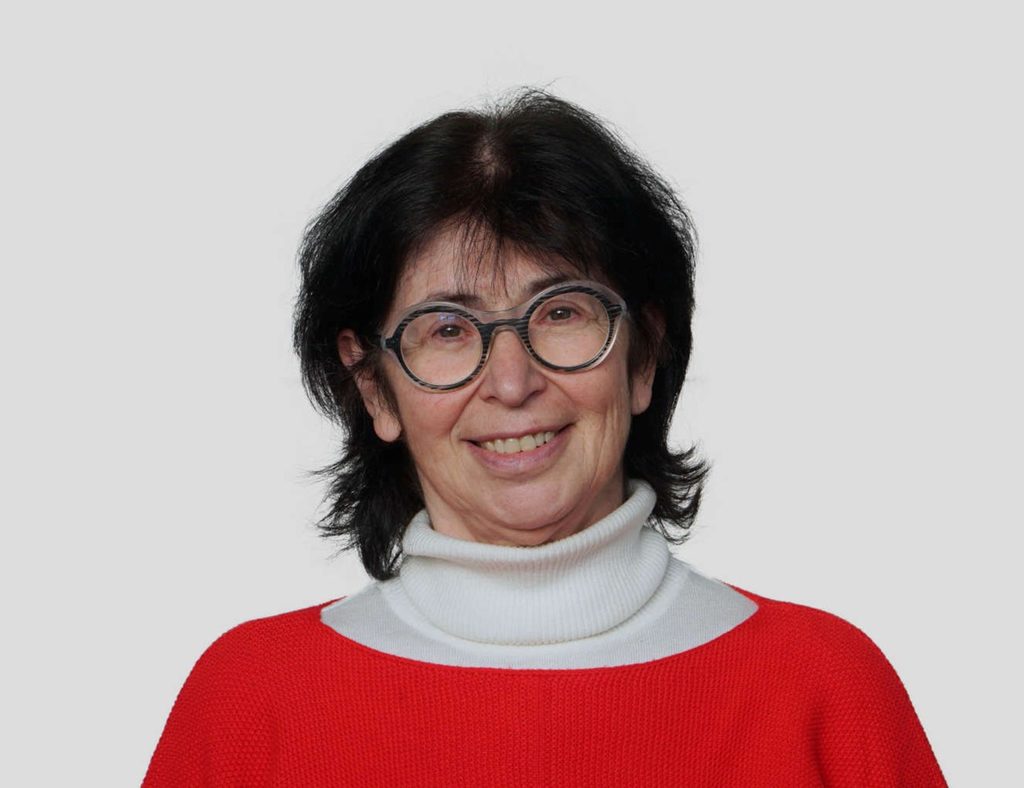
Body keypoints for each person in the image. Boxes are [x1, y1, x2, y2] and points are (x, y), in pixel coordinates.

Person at [143, 90, 946, 786]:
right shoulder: (250, 704)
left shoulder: (826, 691)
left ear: (643, 356)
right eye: (447, 328)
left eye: (561, 312)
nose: (512, 381)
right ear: (373, 387)